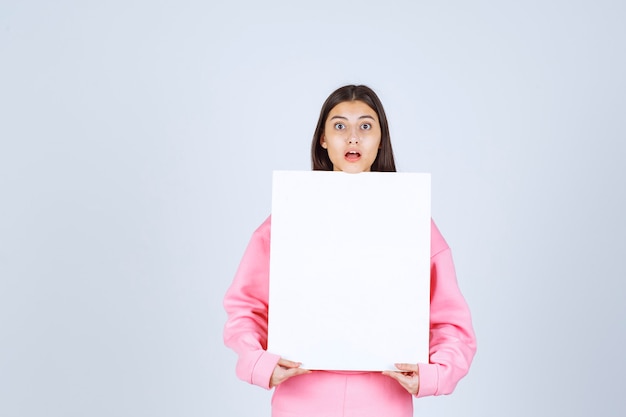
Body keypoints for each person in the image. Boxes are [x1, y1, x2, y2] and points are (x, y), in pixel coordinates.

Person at [223, 85, 476, 417]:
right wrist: (257, 361)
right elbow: (246, 306)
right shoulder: (288, 217)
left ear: (381, 139)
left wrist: (436, 373)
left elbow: (451, 321)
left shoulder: (413, 221)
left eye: (366, 126)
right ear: (323, 140)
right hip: (301, 398)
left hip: (384, 401)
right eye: (340, 126)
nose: (353, 137)